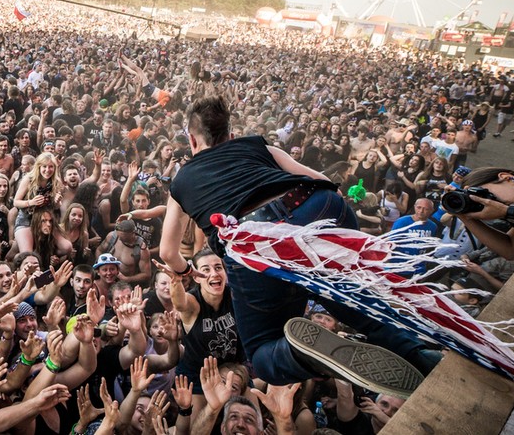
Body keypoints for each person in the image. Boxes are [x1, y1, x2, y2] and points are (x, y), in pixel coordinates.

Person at [160, 95, 433, 397]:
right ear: (230, 134)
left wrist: (188, 270)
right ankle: (423, 357)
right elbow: (320, 180)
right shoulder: (257, 145)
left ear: (192, 139)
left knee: (262, 356)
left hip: (255, 239)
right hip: (316, 206)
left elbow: (167, 253)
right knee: (352, 303)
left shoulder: (181, 180)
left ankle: (310, 356)